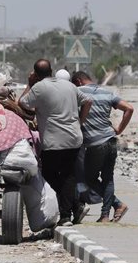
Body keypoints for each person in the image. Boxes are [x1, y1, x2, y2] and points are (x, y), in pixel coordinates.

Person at [19, 59, 92, 226]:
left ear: (36, 74)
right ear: (52, 70)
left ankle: (67, 214)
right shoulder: (70, 86)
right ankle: (74, 207)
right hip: (73, 138)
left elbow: (22, 103)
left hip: (52, 141)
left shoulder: (38, 87)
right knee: (68, 175)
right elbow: (88, 101)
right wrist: (80, 122)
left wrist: (29, 84)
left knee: (51, 176)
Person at [71, 71, 133, 223]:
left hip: (96, 143)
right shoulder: (107, 93)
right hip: (111, 140)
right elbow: (129, 108)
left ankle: (117, 204)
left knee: (89, 178)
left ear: (78, 81)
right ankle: (105, 215)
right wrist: (119, 130)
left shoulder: (77, 92)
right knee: (108, 178)